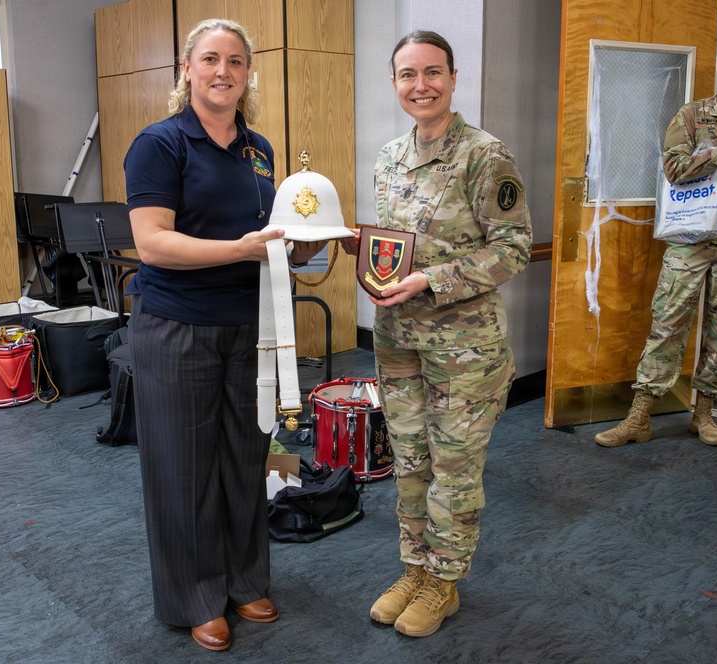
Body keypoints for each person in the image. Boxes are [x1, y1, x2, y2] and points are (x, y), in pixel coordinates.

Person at [123, 18, 324, 652]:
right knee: (183, 466)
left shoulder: (259, 150)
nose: (223, 71)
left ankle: (242, 580)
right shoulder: (159, 144)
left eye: (235, 61)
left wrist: (306, 251)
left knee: (244, 457)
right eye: (210, 59)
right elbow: (153, 243)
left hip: (251, 326)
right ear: (187, 69)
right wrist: (238, 250)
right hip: (177, 326)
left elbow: (269, 236)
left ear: (246, 73)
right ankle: (196, 596)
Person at [351, 30, 532, 638]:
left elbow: (513, 248)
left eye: (432, 72)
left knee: (454, 468)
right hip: (398, 338)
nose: (420, 85)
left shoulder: (486, 155)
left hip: (465, 348)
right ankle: (413, 568)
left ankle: (444, 582)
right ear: (395, 84)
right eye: (407, 75)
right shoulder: (388, 156)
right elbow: (394, 247)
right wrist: (354, 247)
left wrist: (432, 277)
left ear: (454, 79)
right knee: (409, 460)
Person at [595, 35, 717, 449]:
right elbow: (674, 169)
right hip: (690, 239)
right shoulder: (692, 115)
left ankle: (704, 414)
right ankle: (639, 417)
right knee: (667, 324)